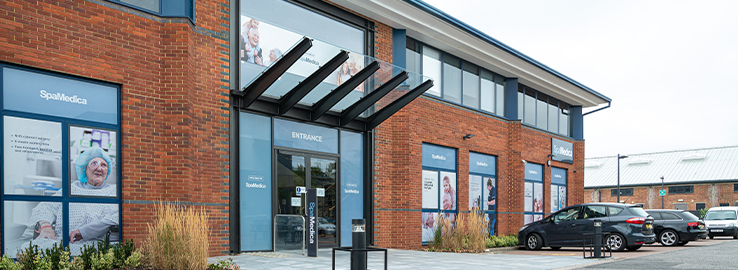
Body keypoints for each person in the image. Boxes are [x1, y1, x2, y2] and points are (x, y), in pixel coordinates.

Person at [26, 146, 118, 255]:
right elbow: (45, 206)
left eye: (104, 165)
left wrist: (83, 232)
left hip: (93, 245)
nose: (99, 168)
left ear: (107, 171)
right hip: (59, 242)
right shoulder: (70, 189)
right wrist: (46, 226)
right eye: (94, 163)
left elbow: (113, 218)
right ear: (85, 168)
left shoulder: (113, 191)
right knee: (27, 249)